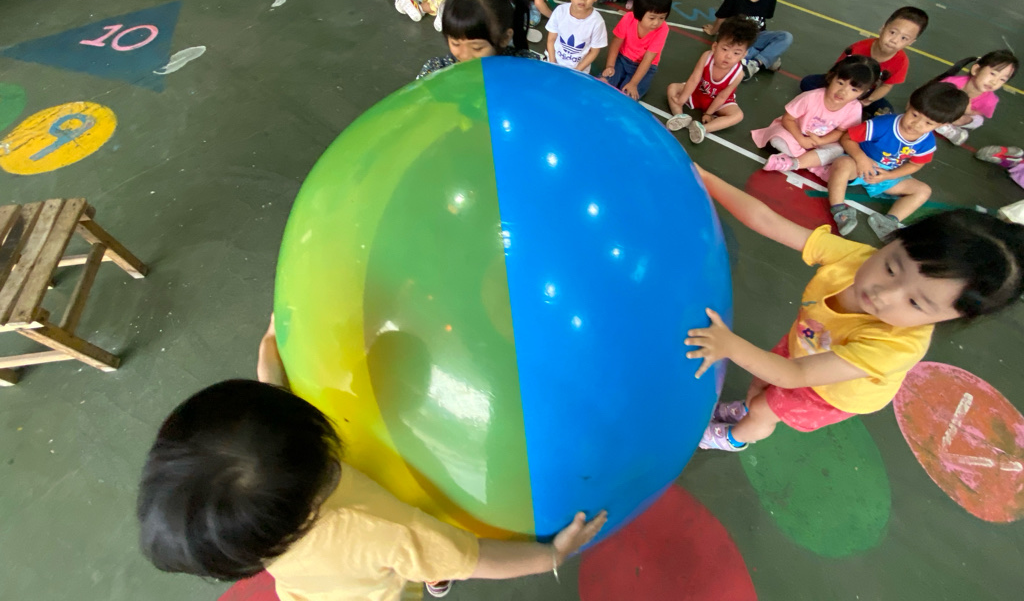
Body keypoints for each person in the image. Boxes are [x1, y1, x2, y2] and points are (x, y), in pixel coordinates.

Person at [137, 320, 607, 601]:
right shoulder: (380, 529)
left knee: (423, 556)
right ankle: (431, 575)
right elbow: (476, 558)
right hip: (377, 590)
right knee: (426, 559)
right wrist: (550, 555)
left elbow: (270, 406)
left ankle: (431, 572)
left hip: (309, 592)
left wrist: (272, 349)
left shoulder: (252, 527)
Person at [685, 168, 1024, 452]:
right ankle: (744, 409)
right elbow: (768, 222)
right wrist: (704, 178)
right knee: (759, 387)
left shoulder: (895, 346)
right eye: (891, 267)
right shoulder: (856, 257)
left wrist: (729, 345)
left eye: (915, 303)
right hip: (806, 344)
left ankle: (734, 437)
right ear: (893, 240)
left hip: (830, 391)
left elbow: (795, 376)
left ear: (948, 318)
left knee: (763, 409)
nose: (884, 293)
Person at [826, 81, 968, 240]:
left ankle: (889, 221)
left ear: (942, 125)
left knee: (923, 191)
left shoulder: (927, 142)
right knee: (842, 164)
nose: (916, 124)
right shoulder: (883, 124)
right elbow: (847, 138)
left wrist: (889, 175)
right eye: (915, 115)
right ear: (909, 104)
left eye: (928, 123)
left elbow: (916, 164)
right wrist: (861, 159)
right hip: (859, 166)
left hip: (886, 175)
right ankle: (839, 210)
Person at [752, 55, 879, 173]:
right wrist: (801, 139)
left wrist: (821, 140)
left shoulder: (854, 108)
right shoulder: (811, 97)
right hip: (795, 133)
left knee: (838, 150)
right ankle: (812, 163)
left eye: (854, 89)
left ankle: (794, 162)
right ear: (831, 77)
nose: (843, 92)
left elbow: (841, 131)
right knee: (777, 139)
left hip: (820, 141)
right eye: (840, 83)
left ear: (863, 93)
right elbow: (787, 119)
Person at [799, 7, 929, 118]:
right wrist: (836, 92)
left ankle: (851, 110)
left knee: (886, 112)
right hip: (843, 86)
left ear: (911, 42)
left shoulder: (901, 62)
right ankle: (847, 109)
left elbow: (887, 86)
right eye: (892, 32)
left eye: (904, 38)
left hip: (866, 93)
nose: (894, 40)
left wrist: (868, 100)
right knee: (808, 82)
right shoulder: (857, 48)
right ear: (883, 28)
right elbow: (836, 73)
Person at [418, 0, 542, 79]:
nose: (464, 55)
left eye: (477, 48)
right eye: (455, 43)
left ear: (505, 38)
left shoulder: (529, 69)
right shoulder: (434, 73)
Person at [665, 16, 759, 144]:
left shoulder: (738, 74)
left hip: (718, 102)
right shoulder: (706, 57)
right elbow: (693, 79)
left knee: (738, 116)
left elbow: (722, 96)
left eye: (736, 53)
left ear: (744, 55)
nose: (728, 56)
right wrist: (682, 100)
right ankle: (679, 115)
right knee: (672, 88)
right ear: (715, 46)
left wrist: (709, 113)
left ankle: (703, 128)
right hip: (698, 92)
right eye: (725, 49)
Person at [702, 0, 791, 80]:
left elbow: (764, 20)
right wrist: (713, 31)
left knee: (786, 37)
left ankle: (756, 63)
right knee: (734, 54)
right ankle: (766, 58)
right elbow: (722, 16)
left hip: (758, 35)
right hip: (738, 40)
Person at [600, 0, 672, 99]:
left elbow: (648, 60)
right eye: (652, 18)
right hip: (622, 60)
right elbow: (615, 45)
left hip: (645, 68)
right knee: (603, 82)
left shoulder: (663, 29)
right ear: (640, 11)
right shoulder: (628, 19)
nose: (656, 22)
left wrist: (633, 83)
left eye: (662, 18)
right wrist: (610, 66)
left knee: (627, 96)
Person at [931, 50, 1019, 146]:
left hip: (959, 116)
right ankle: (944, 125)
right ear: (976, 70)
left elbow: (981, 113)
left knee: (978, 120)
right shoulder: (951, 83)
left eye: (1002, 79)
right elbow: (931, 96)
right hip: (942, 107)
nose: (994, 82)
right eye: (993, 74)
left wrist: (969, 112)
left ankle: (946, 126)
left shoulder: (990, 101)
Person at [545, 0, 607, 73]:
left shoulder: (597, 23)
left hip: (578, 70)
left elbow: (594, 51)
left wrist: (576, 71)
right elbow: (551, 39)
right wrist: (552, 63)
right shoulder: (560, 11)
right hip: (554, 62)